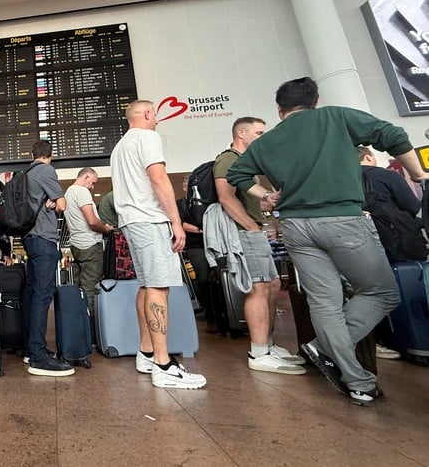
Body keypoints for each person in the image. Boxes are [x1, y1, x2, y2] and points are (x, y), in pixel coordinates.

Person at [227, 76, 427, 405]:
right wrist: (418, 174)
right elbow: (393, 134)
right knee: (382, 291)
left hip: (295, 226)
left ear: (280, 110)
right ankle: (327, 349)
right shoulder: (335, 117)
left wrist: (267, 195)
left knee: (325, 303)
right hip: (343, 221)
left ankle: (358, 382)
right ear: (314, 101)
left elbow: (237, 174)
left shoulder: (267, 142)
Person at [110, 100, 207, 389]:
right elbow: (159, 178)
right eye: (156, 116)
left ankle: (147, 353)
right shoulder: (148, 137)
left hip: (131, 220)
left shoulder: (120, 147)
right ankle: (164, 364)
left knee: (146, 284)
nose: (158, 122)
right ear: (149, 114)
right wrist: (176, 222)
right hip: (149, 220)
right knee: (158, 287)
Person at [212, 117, 305, 375]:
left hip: (254, 230)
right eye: (258, 132)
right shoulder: (229, 159)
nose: (263, 136)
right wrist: (252, 228)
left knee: (273, 285)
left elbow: (251, 202)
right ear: (241, 133)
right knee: (259, 287)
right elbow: (226, 198)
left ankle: (269, 344)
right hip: (245, 232)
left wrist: (268, 200)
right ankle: (259, 351)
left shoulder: (247, 163)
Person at [357, 145, 420, 360]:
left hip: (362, 246)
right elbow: (411, 205)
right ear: (369, 156)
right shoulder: (384, 175)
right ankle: (413, 338)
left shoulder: (342, 181)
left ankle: (382, 339)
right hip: (399, 242)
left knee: (371, 290)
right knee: (405, 284)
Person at [22, 140, 74, 377]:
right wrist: (55, 203)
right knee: (43, 296)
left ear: (33, 154)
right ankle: (38, 357)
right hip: (44, 239)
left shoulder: (26, 173)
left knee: (33, 295)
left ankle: (31, 348)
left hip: (30, 239)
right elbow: (62, 205)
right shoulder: (46, 170)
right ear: (50, 155)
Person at [64, 167, 113, 330]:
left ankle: (80, 331)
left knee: (79, 290)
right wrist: (105, 228)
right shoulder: (82, 192)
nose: (92, 187)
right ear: (86, 177)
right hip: (90, 246)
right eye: (92, 183)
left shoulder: (68, 193)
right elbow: (92, 221)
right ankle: (92, 334)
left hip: (76, 245)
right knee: (90, 289)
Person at [175, 176, 215, 333]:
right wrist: (202, 230)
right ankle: (209, 315)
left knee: (216, 279)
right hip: (194, 246)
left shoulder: (206, 202)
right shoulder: (180, 205)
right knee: (203, 279)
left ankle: (221, 315)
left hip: (212, 244)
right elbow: (181, 224)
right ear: (185, 188)